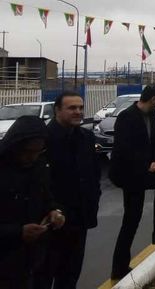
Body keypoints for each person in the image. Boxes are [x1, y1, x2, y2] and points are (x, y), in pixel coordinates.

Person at [109, 85, 155, 281]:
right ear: (153, 99)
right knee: (134, 216)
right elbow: (124, 149)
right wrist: (146, 165)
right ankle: (120, 267)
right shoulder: (127, 117)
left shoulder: (152, 117)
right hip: (128, 174)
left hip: (143, 171)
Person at [41, 92, 101, 289]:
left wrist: (94, 199)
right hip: (51, 223)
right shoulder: (43, 141)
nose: (78, 112)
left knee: (70, 275)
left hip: (79, 220)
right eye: (72, 108)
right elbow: (38, 183)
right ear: (57, 110)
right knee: (44, 276)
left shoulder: (86, 137)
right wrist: (51, 210)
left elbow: (93, 173)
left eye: (80, 108)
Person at [0, 116, 65, 289]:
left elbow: (46, 197)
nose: (33, 157)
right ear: (16, 146)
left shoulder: (38, 166)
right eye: (28, 152)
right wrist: (18, 232)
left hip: (32, 260)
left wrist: (54, 212)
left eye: (38, 151)